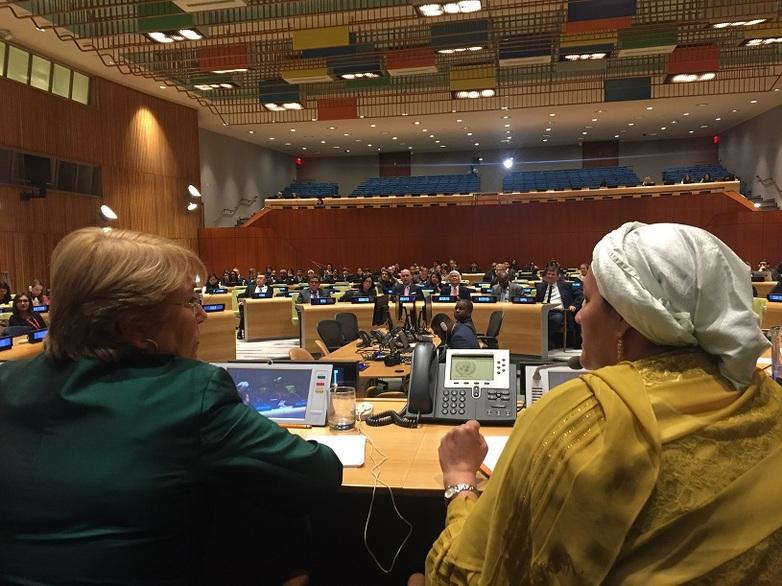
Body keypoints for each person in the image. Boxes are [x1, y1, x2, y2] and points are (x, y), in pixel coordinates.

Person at [425, 222, 782, 584]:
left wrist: (459, 478)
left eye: (589, 300)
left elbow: (460, 575)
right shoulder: (771, 400)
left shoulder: (573, 418)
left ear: (627, 316)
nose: (578, 314)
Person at [0, 228, 343, 585]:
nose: (202, 315)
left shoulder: (6, 383)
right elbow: (317, 476)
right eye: (189, 302)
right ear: (135, 329)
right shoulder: (190, 391)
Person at [535, 264, 582, 349]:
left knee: (555, 319)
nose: (550, 276)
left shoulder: (566, 285)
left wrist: (574, 305)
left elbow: (579, 295)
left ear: (558, 276)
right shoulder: (540, 287)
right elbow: (536, 300)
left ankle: (547, 342)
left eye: (553, 274)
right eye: (548, 274)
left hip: (559, 311)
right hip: (543, 311)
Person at [237, 273, 273, 340]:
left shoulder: (270, 288)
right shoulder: (250, 287)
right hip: (250, 307)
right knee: (243, 308)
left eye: (261, 278)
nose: (259, 280)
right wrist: (240, 302)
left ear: (265, 280)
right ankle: (240, 330)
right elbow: (242, 296)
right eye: (258, 278)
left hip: (264, 307)